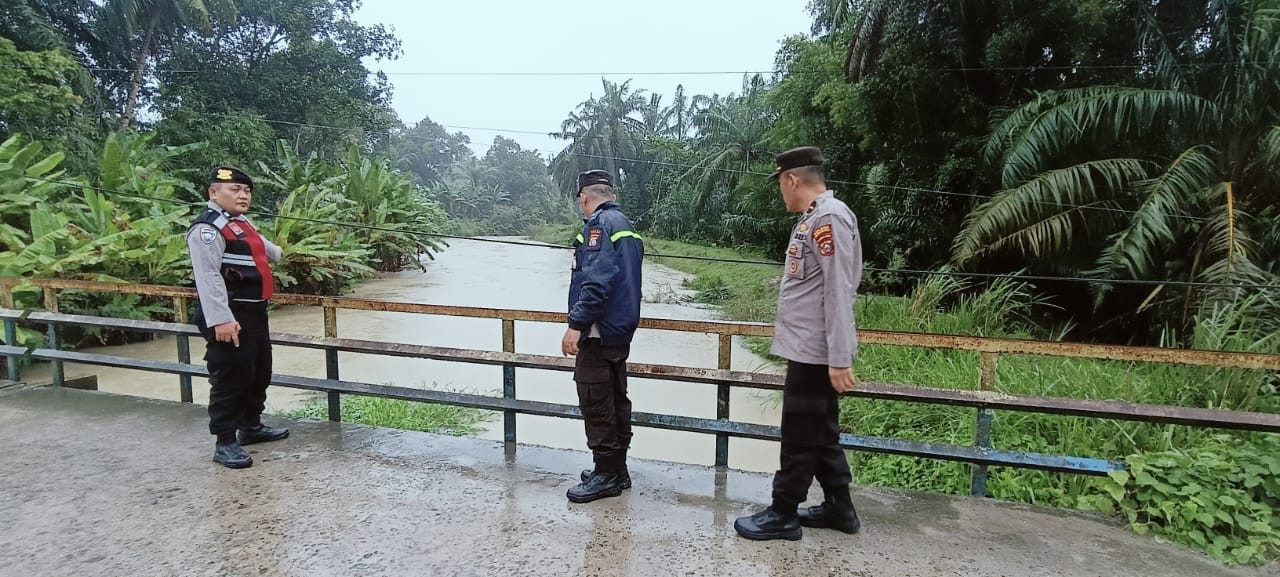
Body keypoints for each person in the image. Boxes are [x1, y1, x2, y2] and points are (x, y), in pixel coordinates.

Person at [734, 146, 863, 540]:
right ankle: (841, 508)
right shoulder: (813, 218)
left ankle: (783, 513)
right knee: (820, 432)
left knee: (798, 435)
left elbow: (838, 291)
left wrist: (839, 357)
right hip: (810, 348)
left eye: (781, 185)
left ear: (792, 179)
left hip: (815, 351)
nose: (782, 193)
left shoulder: (828, 219)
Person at [186, 165, 289, 469]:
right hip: (230, 315)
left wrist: (276, 249)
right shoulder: (207, 230)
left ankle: (251, 426)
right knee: (231, 377)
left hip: (255, 313)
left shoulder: (240, 224)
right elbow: (208, 278)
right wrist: (221, 319)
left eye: (246, 191)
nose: (243, 195)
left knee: (259, 372)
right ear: (213, 193)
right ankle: (225, 441)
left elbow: (271, 253)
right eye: (235, 190)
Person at [561, 169, 645, 503]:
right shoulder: (626, 226)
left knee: (595, 400)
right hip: (620, 330)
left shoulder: (598, 226)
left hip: (598, 331)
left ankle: (606, 474)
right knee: (615, 398)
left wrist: (576, 324)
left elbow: (596, 282)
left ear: (585, 197)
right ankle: (616, 468)